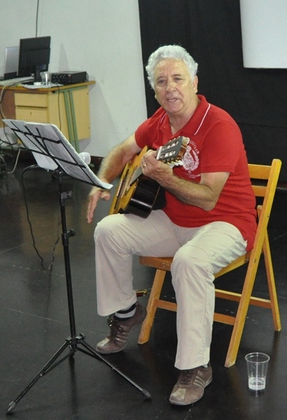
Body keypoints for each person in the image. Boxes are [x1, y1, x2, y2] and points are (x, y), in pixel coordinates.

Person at [86, 45, 257, 406]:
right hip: (176, 220)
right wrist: (102, 183)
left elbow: (208, 198)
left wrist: (164, 177)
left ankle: (196, 366)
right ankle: (126, 312)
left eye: (178, 78)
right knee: (108, 230)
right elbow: (122, 150)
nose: (170, 88)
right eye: (161, 82)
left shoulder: (219, 123)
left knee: (190, 261)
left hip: (226, 223)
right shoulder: (160, 122)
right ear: (155, 90)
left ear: (194, 82)